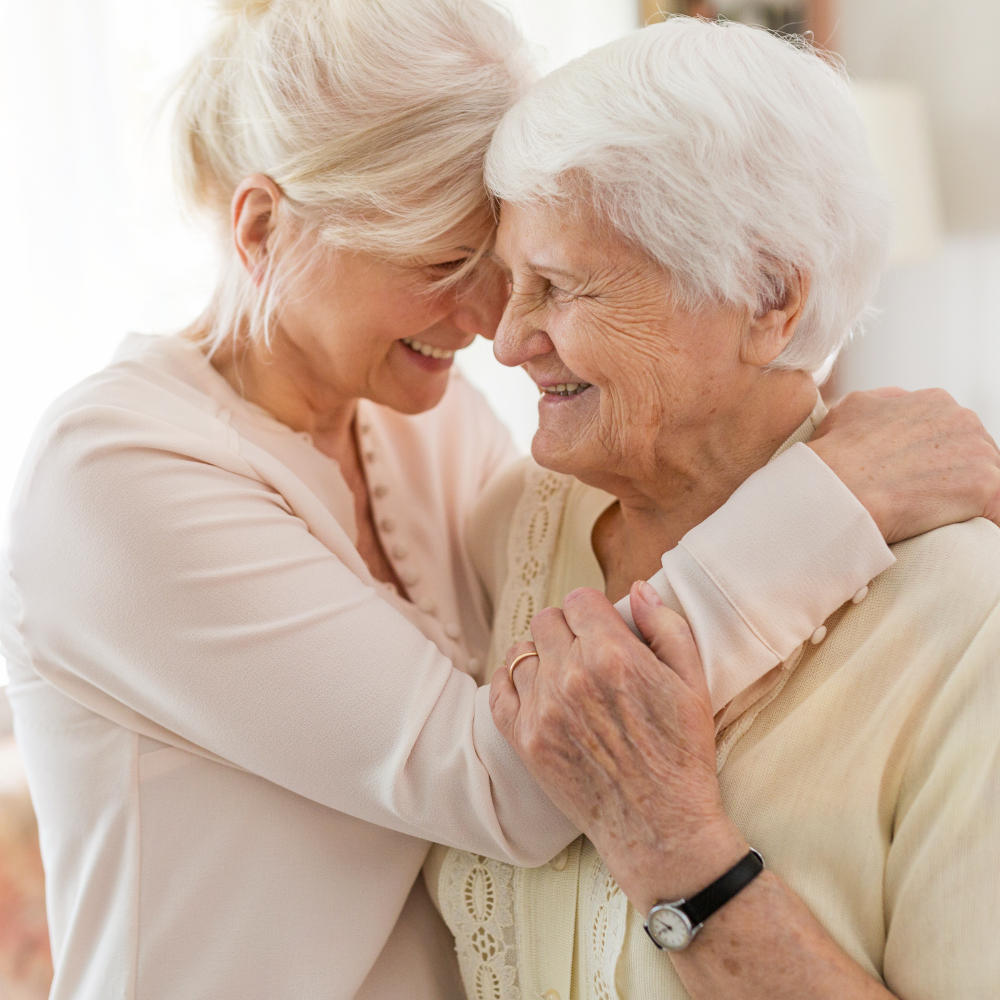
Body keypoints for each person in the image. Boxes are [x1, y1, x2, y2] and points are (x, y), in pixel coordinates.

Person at [1, 4, 997, 999]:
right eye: (440, 265)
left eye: (506, 267)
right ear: (262, 229)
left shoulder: (427, 426)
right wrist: (832, 499)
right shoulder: (118, 475)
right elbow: (508, 774)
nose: (489, 326)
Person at [434, 17, 1000, 1000]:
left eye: (560, 287)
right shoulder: (504, 530)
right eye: (510, 284)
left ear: (766, 297)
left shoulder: (966, 621)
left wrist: (674, 846)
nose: (509, 339)